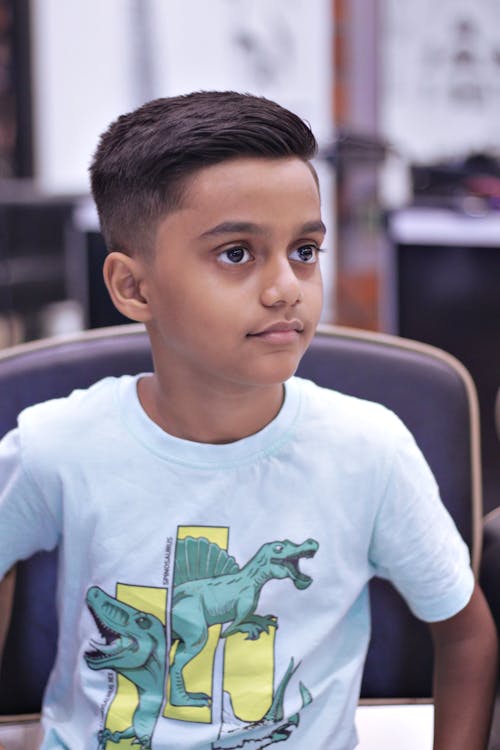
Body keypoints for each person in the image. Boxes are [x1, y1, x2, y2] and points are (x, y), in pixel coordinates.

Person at [0, 91, 497, 750]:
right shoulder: (54, 445)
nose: (285, 287)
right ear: (133, 288)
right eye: (237, 253)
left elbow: (464, 632)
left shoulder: (367, 450)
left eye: (305, 251)